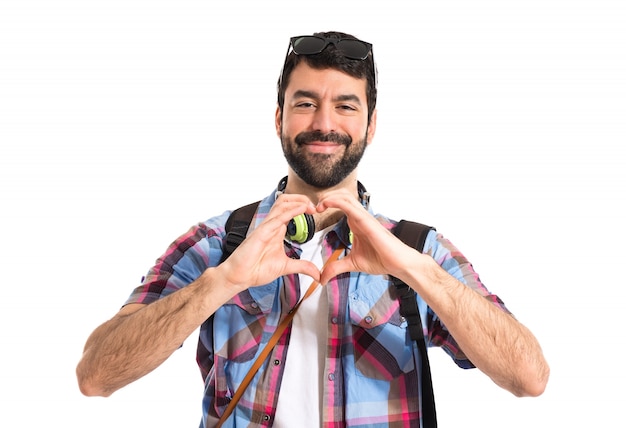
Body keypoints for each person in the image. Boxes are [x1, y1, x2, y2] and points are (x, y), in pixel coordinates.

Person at [76, 31, 550, 427]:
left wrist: (416, 271)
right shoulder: (217, 244)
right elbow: (96, 376)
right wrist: (221, 283)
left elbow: (528, 377)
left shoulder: (417, 250)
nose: (324, 124)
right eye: (306, 103)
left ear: (371, 125)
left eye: (346, 106)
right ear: (280, 117)